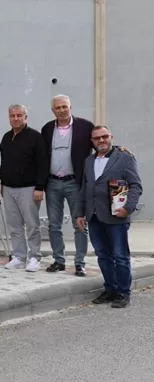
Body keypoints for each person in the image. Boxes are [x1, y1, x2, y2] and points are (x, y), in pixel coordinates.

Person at [75, 126, 143, 308]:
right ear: (92, 141)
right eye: (97, 138)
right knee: (103, 255)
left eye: (104, 136)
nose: (101, 140)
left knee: (120, 256)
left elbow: (135, 185)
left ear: (111, 137)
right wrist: (80, 213)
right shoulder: (88, 161)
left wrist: (128, 208)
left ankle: (123, 292)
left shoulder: (125, 157)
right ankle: (110, 289)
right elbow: (84, 188)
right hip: (94, 216)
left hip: (117, 215)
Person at [40, 95, 94, 276]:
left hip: (75, 183)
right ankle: (58, 260)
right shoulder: (47, 129)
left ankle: (80, 263)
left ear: (71, 107)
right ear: (53, 110)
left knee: (79, 224)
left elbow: (101, 144)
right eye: (58, 108)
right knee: (54, 225)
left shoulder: (85, 126)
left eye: (65, 107)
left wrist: (118, 150)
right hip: (53, 182)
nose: (62, 110)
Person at [0, 104, 49, 272]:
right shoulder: (7, 137)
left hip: (29, 188)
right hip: (8, 188)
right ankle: (19, 256)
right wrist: (2, 183)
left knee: (32, 224)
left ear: (25, 117)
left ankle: (34, 257)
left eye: (19, 115)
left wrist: (40, 187)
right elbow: (4, 162)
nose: (15, 118)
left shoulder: (35, 137)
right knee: (14, 225)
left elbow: (43, 163)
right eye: (12, 115)